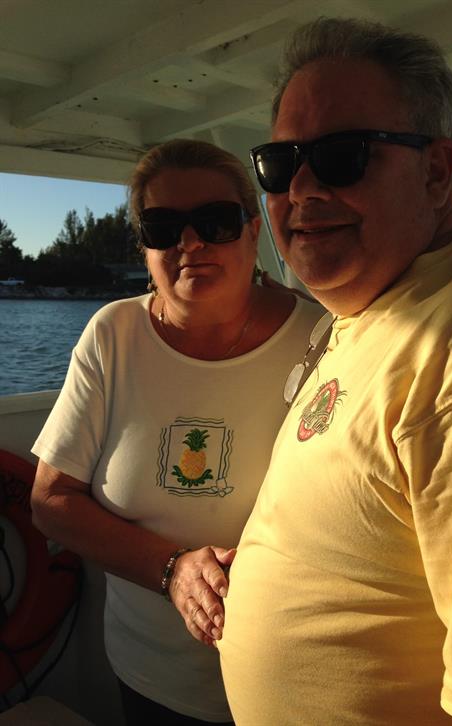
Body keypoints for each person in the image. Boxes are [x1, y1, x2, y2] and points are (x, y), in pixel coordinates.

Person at [218, 17, 452, 726]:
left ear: (436, 171)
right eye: (279, 163)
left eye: (341, 156)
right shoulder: (372, 306)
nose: (302, 187)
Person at [30, 138, 322, 725]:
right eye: (163, 228)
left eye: (215, 222)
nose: (190, 242)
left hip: (287, 679)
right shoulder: (113, 336)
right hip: (149, 676)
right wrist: (172, 569)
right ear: (145, 249)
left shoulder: (321, 339)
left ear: (253, 232)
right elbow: (51, 500)